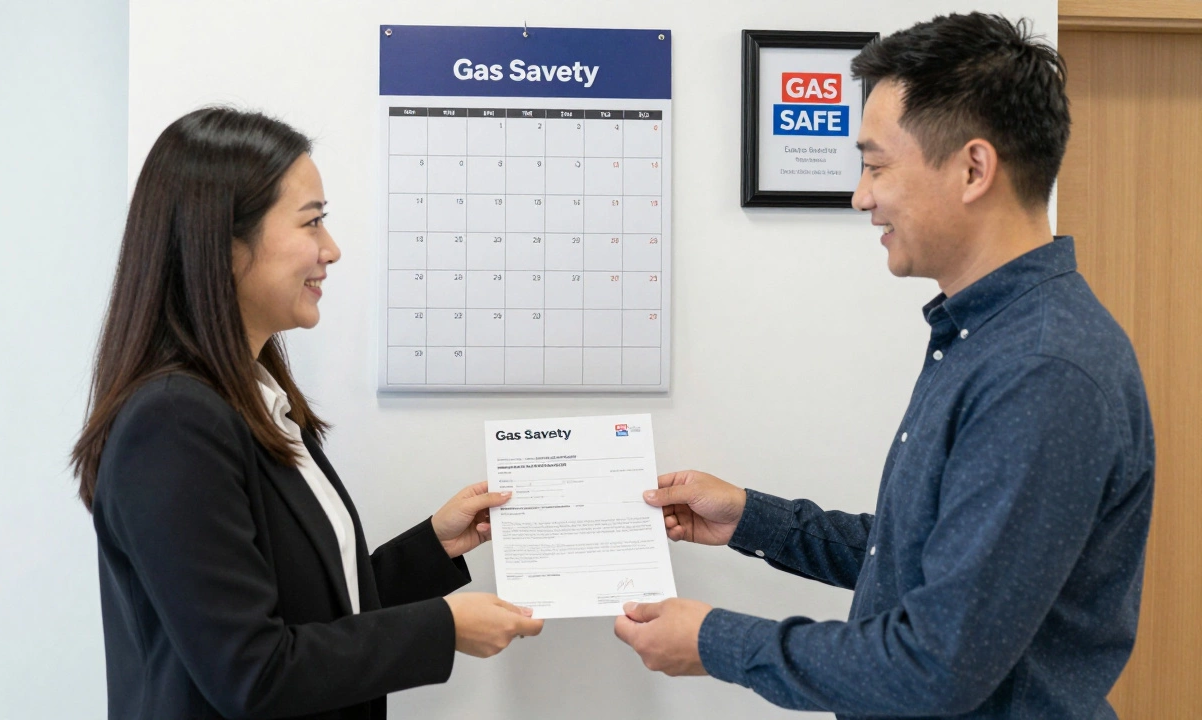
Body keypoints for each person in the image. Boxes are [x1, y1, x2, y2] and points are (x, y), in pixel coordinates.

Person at [614, 13, 1154, 719]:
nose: (860, 196)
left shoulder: (1041, 368)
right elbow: (922, 556)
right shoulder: (985, 335)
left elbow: (935, 664)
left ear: (972, 168)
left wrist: (715, 642)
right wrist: (752, 519)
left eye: (875, 165)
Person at [71, 107, 543, 720]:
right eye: (312, 223)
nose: (333, 249)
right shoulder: (172, 424)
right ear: (225, 242)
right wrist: (442, 628)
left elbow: (315, 607)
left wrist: (436, 546)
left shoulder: (254, 397)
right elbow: (254, 671)